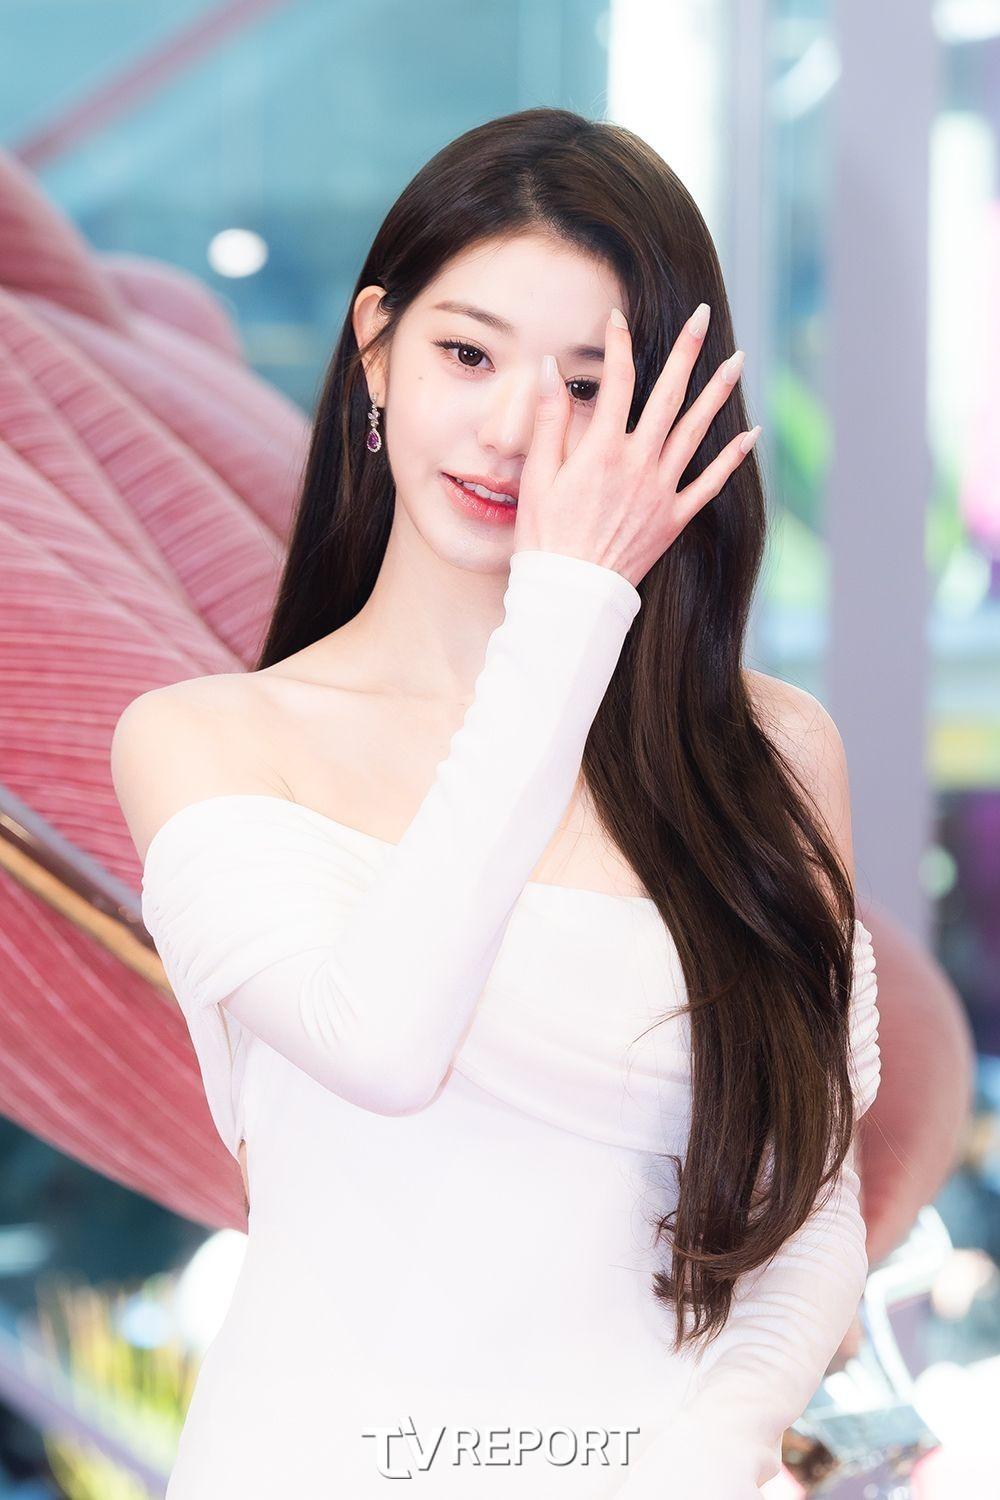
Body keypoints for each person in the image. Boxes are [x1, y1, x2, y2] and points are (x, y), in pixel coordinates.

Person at [111, 107, 880, 1497]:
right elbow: (384, 1042)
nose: (518, 431)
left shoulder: (767, 753)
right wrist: (570, 612)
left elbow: (812, 1202)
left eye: (589, 385)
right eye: (467, 354)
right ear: (375, 347)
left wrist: (706, 1459)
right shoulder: (208, 741)